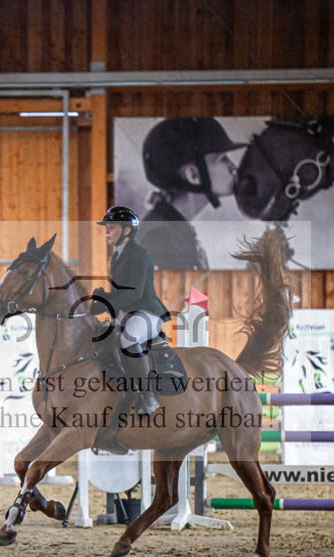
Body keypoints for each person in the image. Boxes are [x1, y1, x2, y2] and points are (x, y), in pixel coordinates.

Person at [90, 205, 170, 454]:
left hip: (148, 312)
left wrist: (107, 302)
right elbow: (119, 293)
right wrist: (102, 298)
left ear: (127, 230)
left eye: (111, 227)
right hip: (129, 313)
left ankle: (148, 397)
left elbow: (134, 292)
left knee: (126, 339)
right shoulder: (117, 256)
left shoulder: (139, 254)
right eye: (106, 228)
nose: (107, 232)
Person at [137, 117, 247, 270]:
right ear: (193, 175)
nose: (233, 168)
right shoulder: (160, 239)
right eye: (223, 159)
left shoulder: (172, 230)